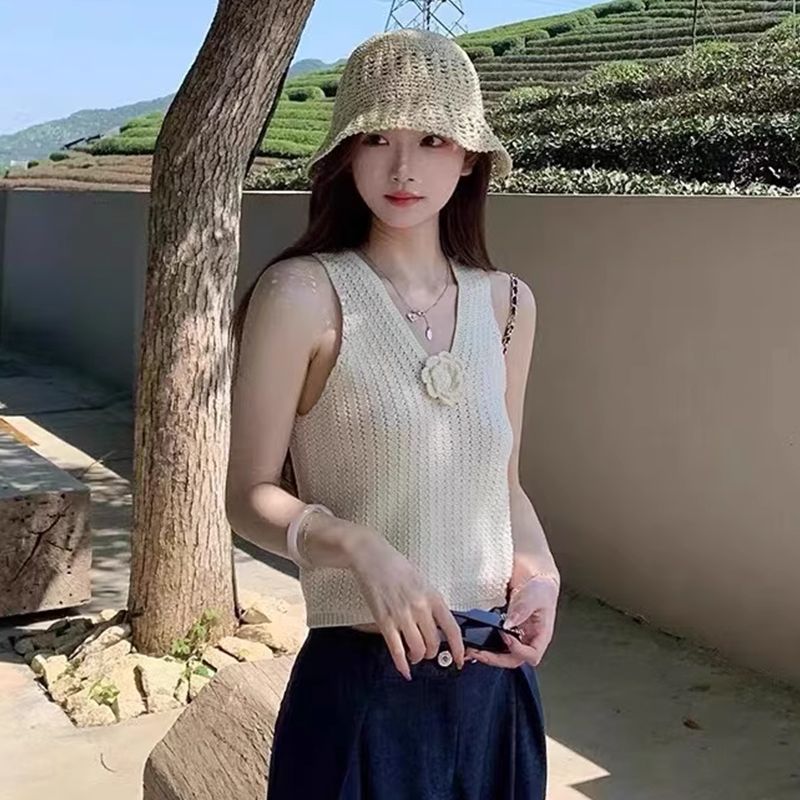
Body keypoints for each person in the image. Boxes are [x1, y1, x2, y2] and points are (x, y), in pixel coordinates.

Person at [226, 28, 561, 800]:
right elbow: (247, 496)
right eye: (377, 138)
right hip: (361, 692)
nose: (403, 168)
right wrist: (357, 547)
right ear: (346, 153)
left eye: (433, 140)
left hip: (494, 684)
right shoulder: (301, 294)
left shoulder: (509, 305)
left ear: (469, 157)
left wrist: (541, 575)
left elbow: (504, 485)